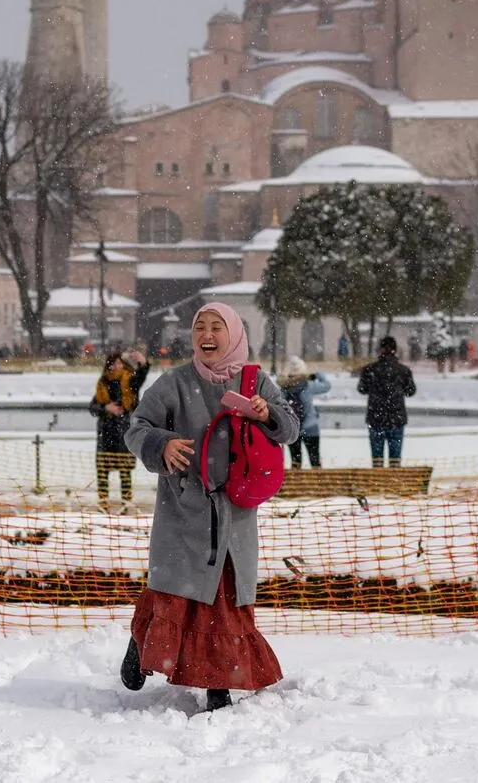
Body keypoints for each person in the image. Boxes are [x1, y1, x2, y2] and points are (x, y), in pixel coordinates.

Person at [120, 302, 299, 711]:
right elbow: (137, 428)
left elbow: (290, 428)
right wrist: (160, 444)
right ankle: (141, 645)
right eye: (201, 326)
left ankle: (219, 685)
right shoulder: (174, 383)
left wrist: (267, 412)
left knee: (224, 599)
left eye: (217, 326)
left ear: (234, 334)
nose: (208, 334)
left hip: (235, 512)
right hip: (184, 509)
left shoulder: (256, 381)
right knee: (176, 590)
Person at [89, 349, 150, 503]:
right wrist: (106, 408)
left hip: (124, 432)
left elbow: (141, 377)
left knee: (125, 472)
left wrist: (143, 363)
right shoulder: (103, 383)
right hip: (106, 433)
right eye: (115, 363)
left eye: (120, 363)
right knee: (103, 472)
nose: (118, 366)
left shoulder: (130, 380)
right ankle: (103, 504)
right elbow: (93, 407)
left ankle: (126, 504)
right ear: (109, 366)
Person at [358, 335, 417, 468]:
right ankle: (393, 483)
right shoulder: (404, 370)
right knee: (395, 460)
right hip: (396, 419)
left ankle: (379, 483)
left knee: (377, 459)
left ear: (380, 350)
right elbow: (411, 391)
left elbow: (362, 389)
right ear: (395, 350)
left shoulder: (369, 370)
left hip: (376, 418)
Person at [279, 357, 330, 469]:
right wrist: (317, 374)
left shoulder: (283, 389)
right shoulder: (309, 385)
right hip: (311, 427)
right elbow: (327, 386)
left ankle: (298, 484)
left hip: (292, 429)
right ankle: (318, 484)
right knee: (315, 460)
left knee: (296, 462)